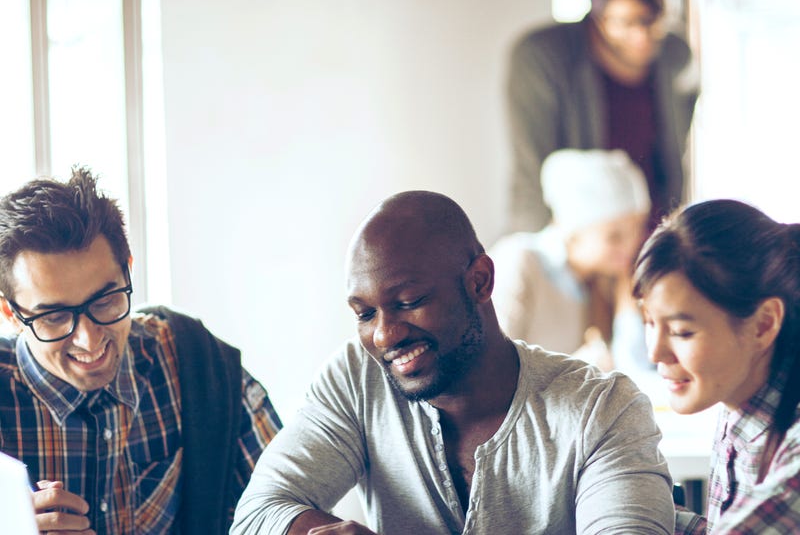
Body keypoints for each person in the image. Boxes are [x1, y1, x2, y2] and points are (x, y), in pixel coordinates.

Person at [231, 190, 674, 534]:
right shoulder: (357, 378)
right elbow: (257, 512)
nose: (385, 334)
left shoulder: (603, 410)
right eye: (365, 314)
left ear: (480, 281)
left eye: (409, 301)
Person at [0, 167, 283, 535]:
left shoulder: (197, 364)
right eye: (54, 316)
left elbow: (282, 501)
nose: (88, 339)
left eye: (105, 300)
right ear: (10, 313)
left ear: (128, 271)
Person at [506, 0, 698, 233]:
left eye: (654, 17)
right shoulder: (542, 58)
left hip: (651, 239)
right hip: (575, 243)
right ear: (597, 16)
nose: (643, 35)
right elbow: (534, 176)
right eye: (627, 22)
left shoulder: (674, 55)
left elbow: (674, 163)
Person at [633, 199, 800, 533]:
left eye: (682, 331)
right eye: (649, 322)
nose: (655, 353)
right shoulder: (740, 400)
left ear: (763, 325)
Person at [491, 148, 651, 374]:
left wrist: (626, 300)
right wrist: (574, 369)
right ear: (572, 232)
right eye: (614, 236)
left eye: (638, 230)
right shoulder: (519, 261)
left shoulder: (606, 281)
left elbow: (634, 368)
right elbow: (491, 371)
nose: (631, 245)